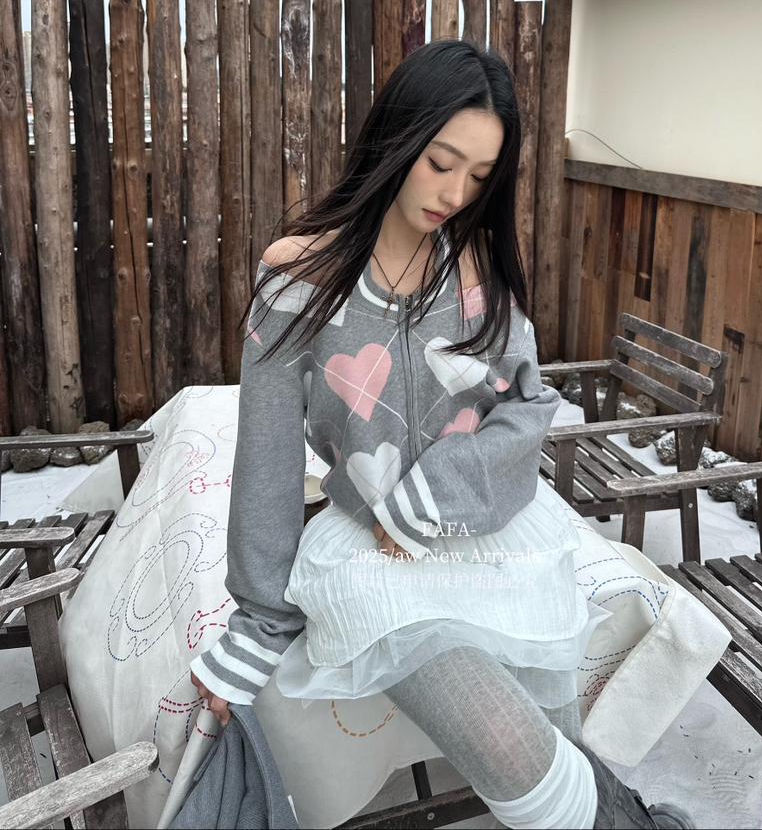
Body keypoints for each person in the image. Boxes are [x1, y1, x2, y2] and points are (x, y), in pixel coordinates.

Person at [190, 40, 694, 829]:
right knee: (510, 745)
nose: (455, 193)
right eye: (440, 162)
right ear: (396, 138)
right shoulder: (298, 279)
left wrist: (433, 491)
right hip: (374, 562)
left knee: (553, 746)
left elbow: (527, 405)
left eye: (480, 176)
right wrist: (258, 624)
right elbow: (267, 460)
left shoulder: (476, 271)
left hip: (494, 533)